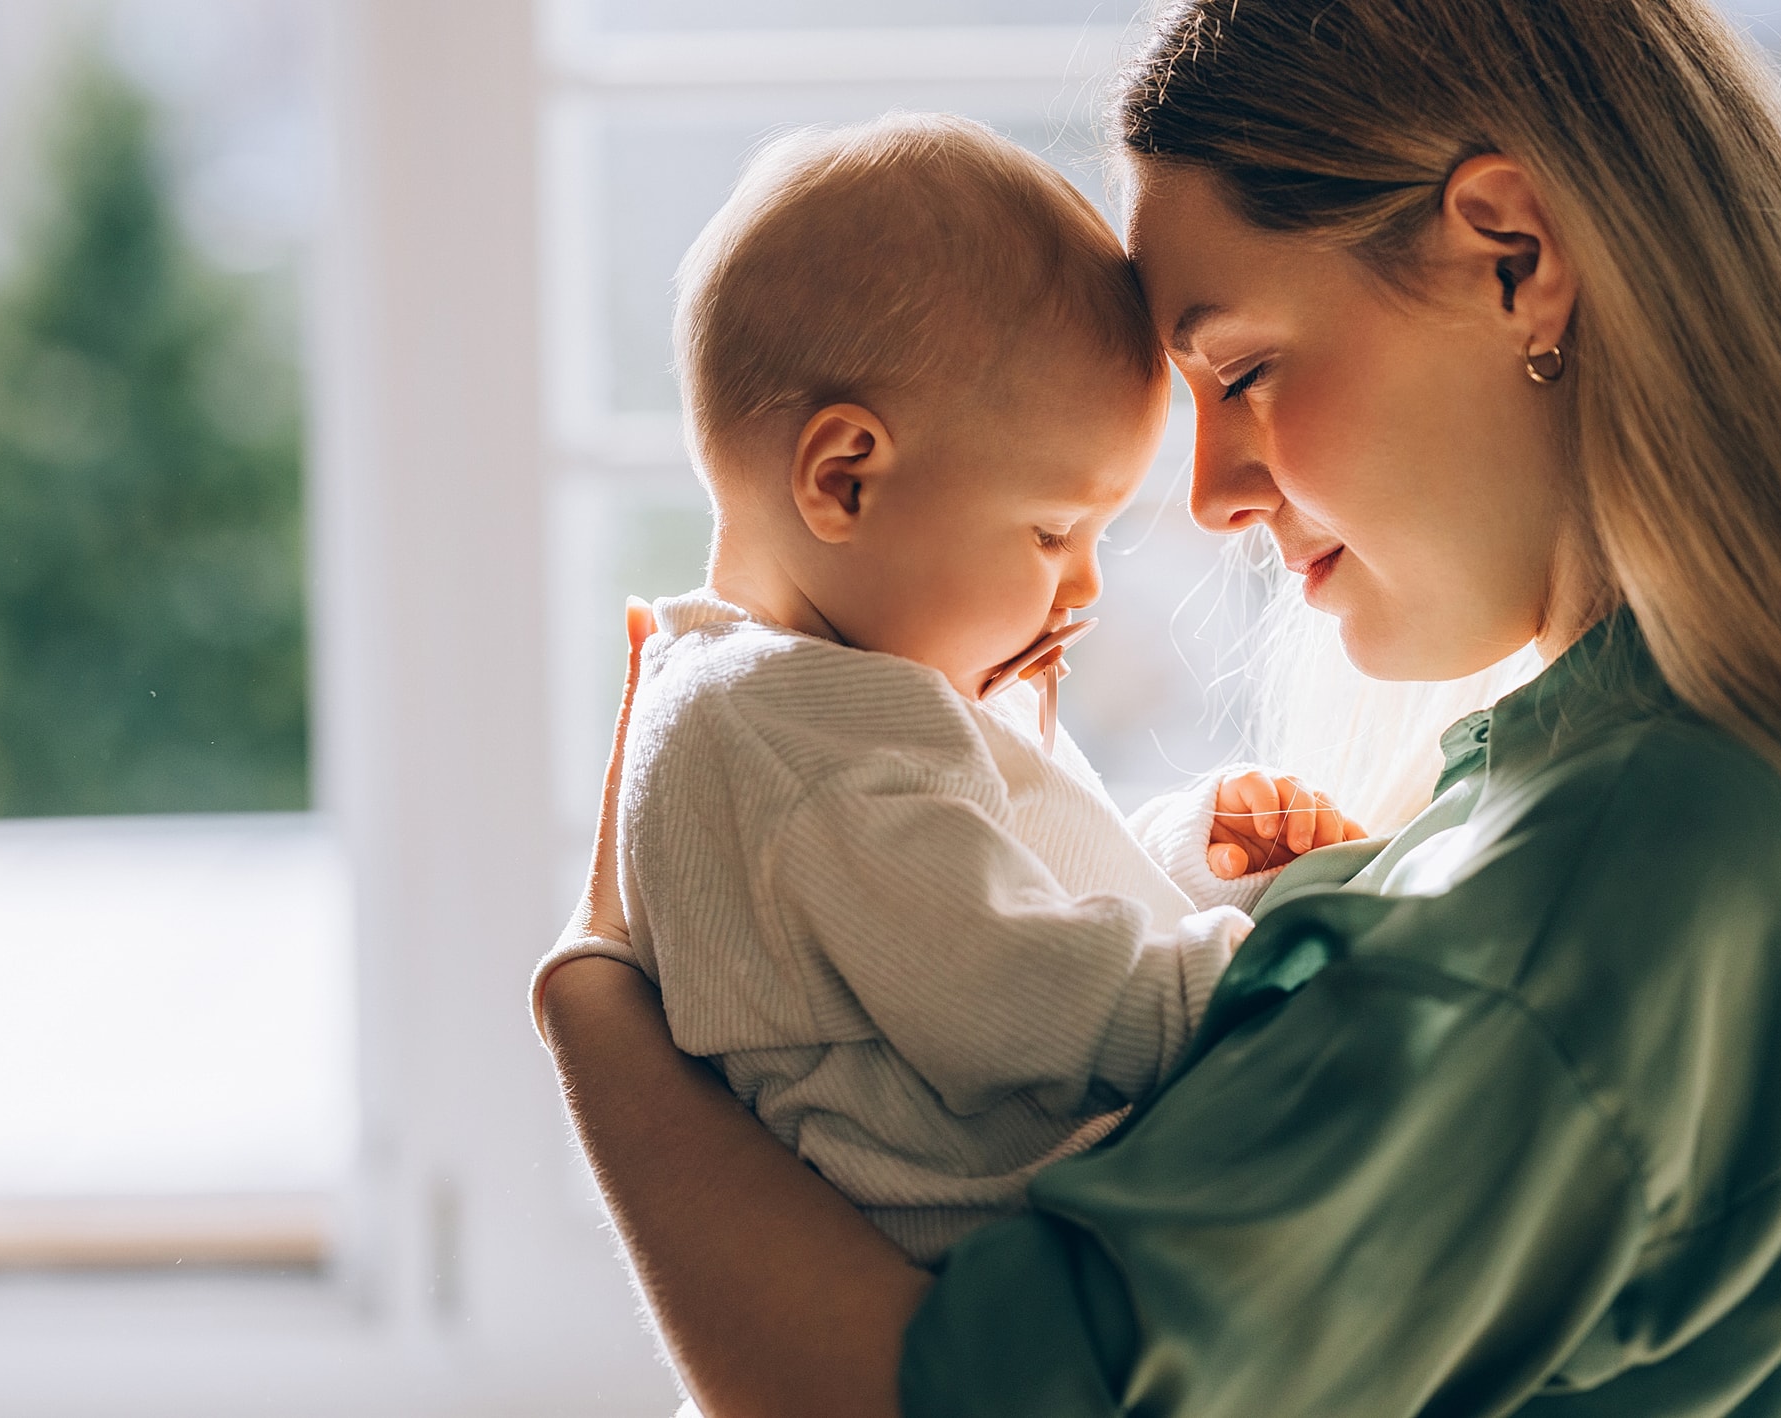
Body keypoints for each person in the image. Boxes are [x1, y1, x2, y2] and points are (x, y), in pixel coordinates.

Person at [538, 1, 1781, 1414]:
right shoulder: (1733, 791)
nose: (1214, 496)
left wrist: (599, 1005)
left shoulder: (1592, 897)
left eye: (1243, 374)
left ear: (1512, 256)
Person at [531, 114, 1363, 1267]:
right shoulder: (793, 740)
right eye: (1052, 530)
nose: (1079, 588)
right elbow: (1011, 995)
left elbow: (969, 909)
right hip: (998, 1279)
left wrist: (1182, 857)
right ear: (844, 479)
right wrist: (1251, 979)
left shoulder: (799, 696)